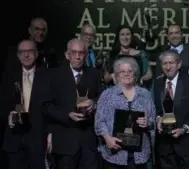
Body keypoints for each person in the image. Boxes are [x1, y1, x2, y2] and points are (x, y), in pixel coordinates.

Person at [43, 39, 102, 169]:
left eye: (81, 53)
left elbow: (101, 98)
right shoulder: (54, 75)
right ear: (67, 55)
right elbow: (46, 106)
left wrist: (95, 103)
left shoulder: (94, 74)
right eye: (74, 52)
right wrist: (67, 115)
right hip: (64, 142)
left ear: (86, 55)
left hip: (88, 142)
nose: (77, 56)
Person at [95, 57, 155, 169]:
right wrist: (107, 138)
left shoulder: (145, 94)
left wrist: (148, 123)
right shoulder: (107, 94)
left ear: (135, 73)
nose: (126, 74)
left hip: (139, 155)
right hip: (115, 154)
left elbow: (153, 121)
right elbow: (99, 121)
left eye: (130, 71)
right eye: (122, 71)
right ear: (117, 75)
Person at [1, 39, 50, 169]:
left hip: (37, 139)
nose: (26, 55)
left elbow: (51, 107)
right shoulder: (8, 76)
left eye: (29, 51)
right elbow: (3, 103)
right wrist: (8, 115)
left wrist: (50, 134)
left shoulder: (47, 76)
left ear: (36, 54)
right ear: (17, 55)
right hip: (15, 139)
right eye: (22, 52)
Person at [154, 50, 189, 169]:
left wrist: (185, 128)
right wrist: (157, 119)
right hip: (165, 147)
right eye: (164, 63)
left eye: (171, 63)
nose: (168, 67)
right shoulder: (158, 83)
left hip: (186, 144)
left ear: (179, 64)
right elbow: (156, 109)